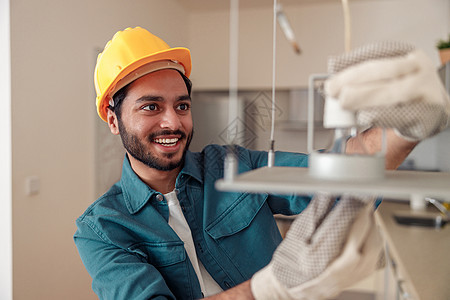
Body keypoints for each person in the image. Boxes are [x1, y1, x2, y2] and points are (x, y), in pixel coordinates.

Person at [74, 27, 447, 299]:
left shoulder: (233, 166)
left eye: (182, 105)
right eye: (151, 106)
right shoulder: (102, 229)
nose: (172, 122)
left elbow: (339, 170)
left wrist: (408, 127)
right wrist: (268, 289)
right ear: (113, 119)